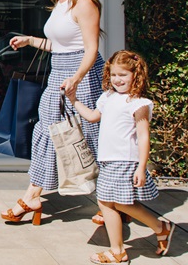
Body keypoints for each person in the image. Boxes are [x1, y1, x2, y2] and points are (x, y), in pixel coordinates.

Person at [1, 0, 104, 225]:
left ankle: (113, 200)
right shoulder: (62, 1)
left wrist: (77, 78)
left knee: (91, 136)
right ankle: (33, 194)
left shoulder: (85, 3)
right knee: (47, 132)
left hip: (81, 75)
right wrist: (30, 40)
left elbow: (91, 49)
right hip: (58, 73)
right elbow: (60, 45)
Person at [67, 50, 175, 263]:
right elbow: (91, 117)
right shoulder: (107, 97)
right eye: (114, 75)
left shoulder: (139, 103)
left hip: (126, 160)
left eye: (123, 75)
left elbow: (144, 137)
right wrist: (73, 99)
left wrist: (141, 167)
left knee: (120, 203)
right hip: (107, 160)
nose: (117, 80)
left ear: (136, 75)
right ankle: (123, 247)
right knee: (107, 203)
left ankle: (156, 229)